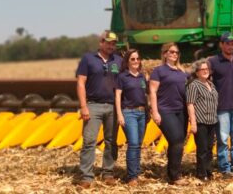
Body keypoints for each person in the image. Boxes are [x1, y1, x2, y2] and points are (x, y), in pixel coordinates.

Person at [76, 30, 122, 188]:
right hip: (93, 105)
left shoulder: (119, 60)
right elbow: (81, 83)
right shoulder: (88, 59)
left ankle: (108, 173)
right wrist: (83, 106)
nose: (111, 46)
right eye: (108, 42)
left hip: (113, 107)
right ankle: (86, 176)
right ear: (101, 42)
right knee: (89, 141)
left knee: (111, 141)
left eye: (114, 43)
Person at [149, 43, 189, 185]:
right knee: (176, 139)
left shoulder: (182, 72)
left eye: (177, 52)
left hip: (181, 111)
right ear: (164, 54)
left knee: (178, 141)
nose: (174, 54)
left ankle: (172, 170)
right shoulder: (158, 71)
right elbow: (152, 92)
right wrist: (155, 112)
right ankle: (175, 176)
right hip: (165, 110)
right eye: (171, 52)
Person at [208, 32, 233, 179]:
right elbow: (206, 79)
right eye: (227, 43)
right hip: (221, 107)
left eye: (232, 43)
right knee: (223, 139)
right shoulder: (214, 61)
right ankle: (225, 169)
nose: (230, 46)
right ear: (221, 44)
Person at [115, 49, 148, 186]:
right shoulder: (122, 77)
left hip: (142, 113)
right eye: (132, 59)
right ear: (127, 61)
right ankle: (132, 176)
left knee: (138, 145)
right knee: (133, 143)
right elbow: (117, 96)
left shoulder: (142, 77)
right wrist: (119, 114)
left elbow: (146, 95)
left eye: (137, 59)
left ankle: (136, 172)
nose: (136, 61)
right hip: (129, 113)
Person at [186, 59, 218, 181]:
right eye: (202, 70)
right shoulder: (193, 85)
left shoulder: (211, 84)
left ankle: (208, 170)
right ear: (197, 72)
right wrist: (193, 122)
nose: (205, 71)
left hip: (212, 121)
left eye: (207, 69)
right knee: (202, 148)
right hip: (201, 122)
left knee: (210, 147)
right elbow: (190, 104)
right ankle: (201, 173)